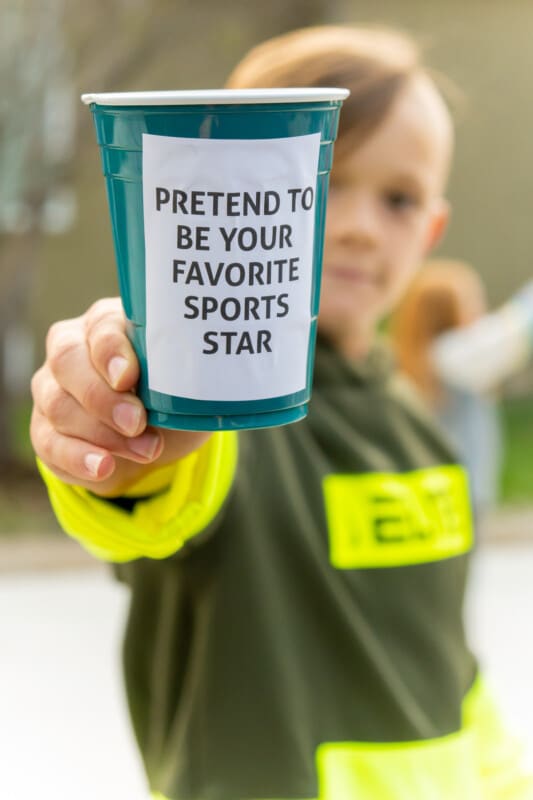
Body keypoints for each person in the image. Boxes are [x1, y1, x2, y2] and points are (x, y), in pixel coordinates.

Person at [30, 25, 533, 800]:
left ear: (430, 228)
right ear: (229, 192)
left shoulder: (416, 426)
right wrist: (125, 431)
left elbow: (447, 671)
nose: (362, 225)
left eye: (398, 199)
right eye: (327, 184)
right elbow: (156, 486)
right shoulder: (227, 415)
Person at [391, 259, 504, 515]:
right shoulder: (453, 355)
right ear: (445, 312)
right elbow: (513, 334)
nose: (481, 310)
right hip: (462, 492)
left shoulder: (413, 359)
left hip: (431, 491)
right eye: (472, 301)